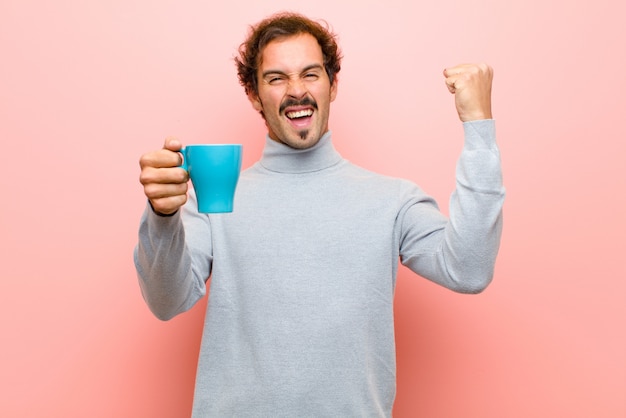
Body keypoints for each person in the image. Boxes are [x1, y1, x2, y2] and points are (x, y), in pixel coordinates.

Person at [134, 11, 504, 417]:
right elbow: (166, 301)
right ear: (255, 95)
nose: (296, 91)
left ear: (332, 84)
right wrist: (163, 218)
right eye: (276, 78)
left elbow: (469, 269)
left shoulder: (391, 201)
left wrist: (479, 127)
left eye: (310, 74)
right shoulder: (216, 200)